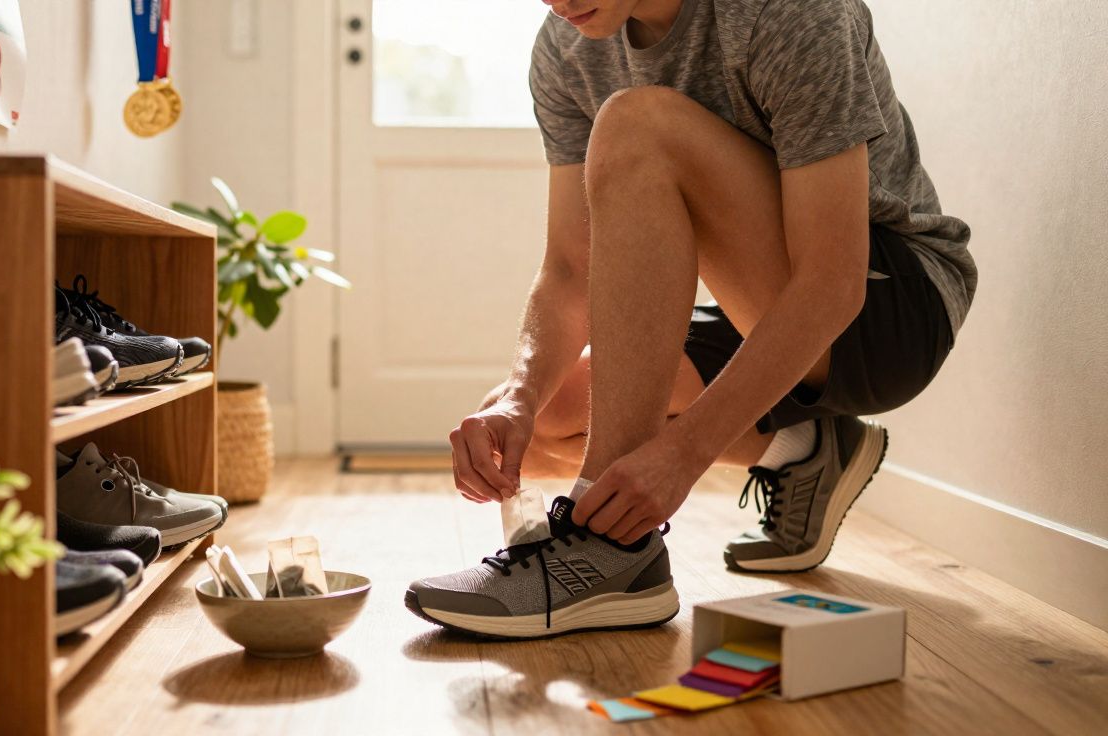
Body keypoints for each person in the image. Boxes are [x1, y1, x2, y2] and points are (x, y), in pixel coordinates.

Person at [404, 0, 975, 640]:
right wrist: (517, 396)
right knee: (539, 429)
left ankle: (613, 554)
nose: (556, 2)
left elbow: (831, 283)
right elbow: (569, 267)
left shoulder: (788, 12)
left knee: (636, 122)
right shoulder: (566, 47)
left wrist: (686, 453)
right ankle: (805, 450)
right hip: (757, 305)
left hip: (886, 306)